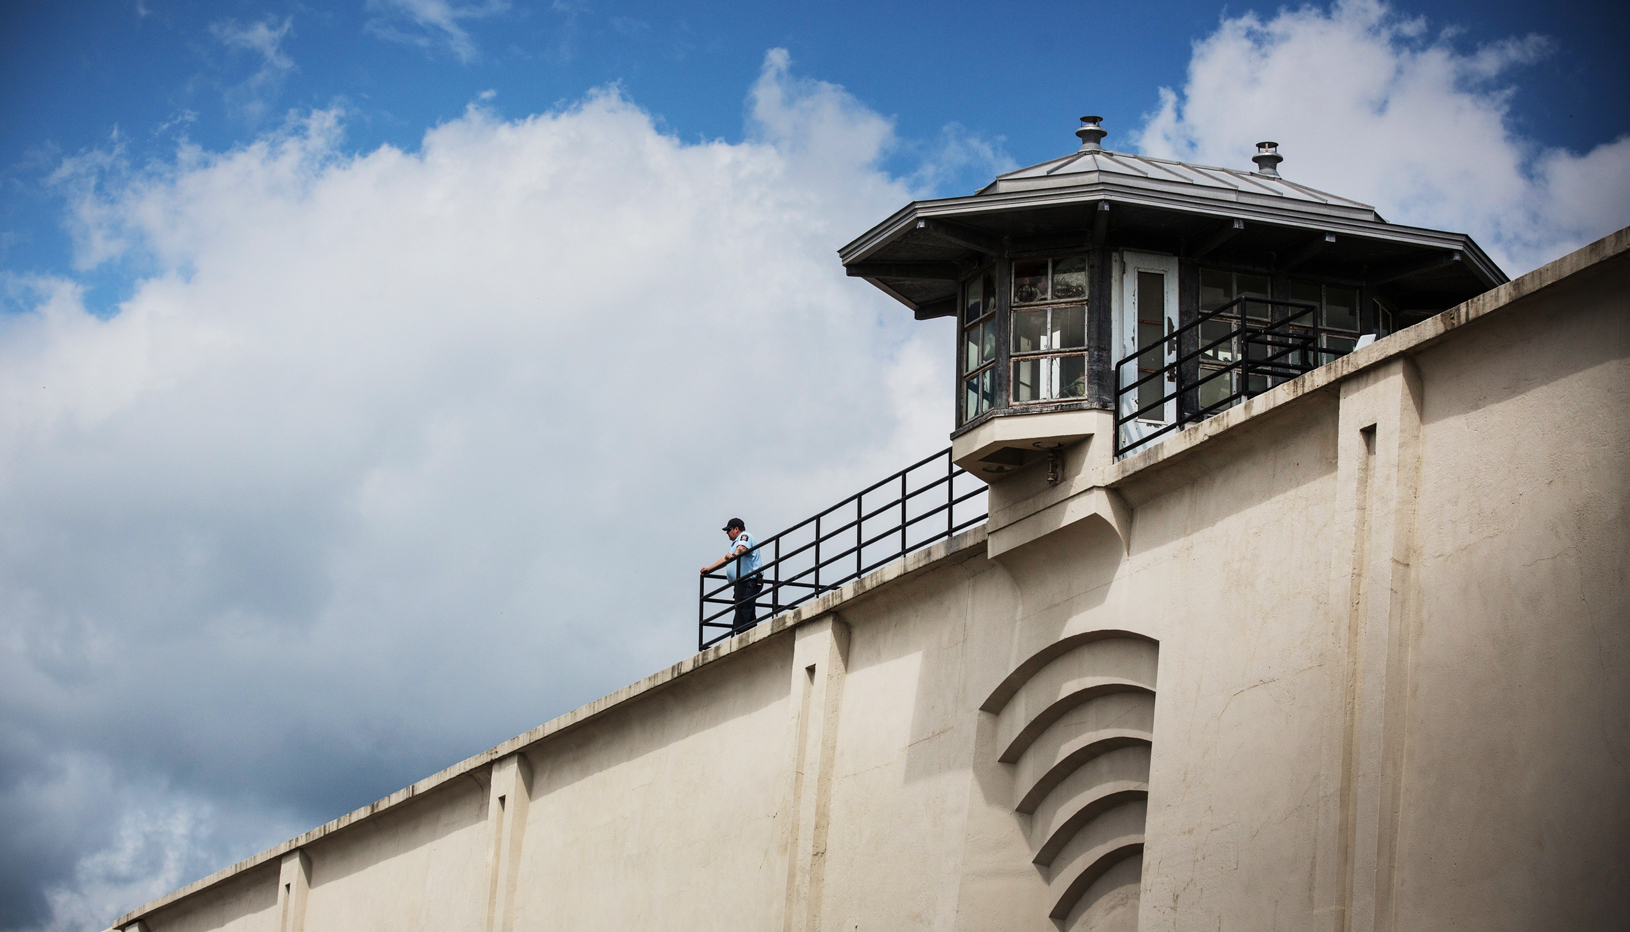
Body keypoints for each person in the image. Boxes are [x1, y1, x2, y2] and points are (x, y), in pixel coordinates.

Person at [701, 517, 763, 633]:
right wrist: (709, 569)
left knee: (743, 611)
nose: (727, 533)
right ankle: (748, 633)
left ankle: (738, 636)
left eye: (728, 530)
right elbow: (726, 558)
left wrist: (734, 555)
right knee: (746, 612)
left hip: (749, 582)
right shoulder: (736, 543)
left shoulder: (745, 537)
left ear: (736, 529)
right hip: (743, 583)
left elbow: (742, 549)